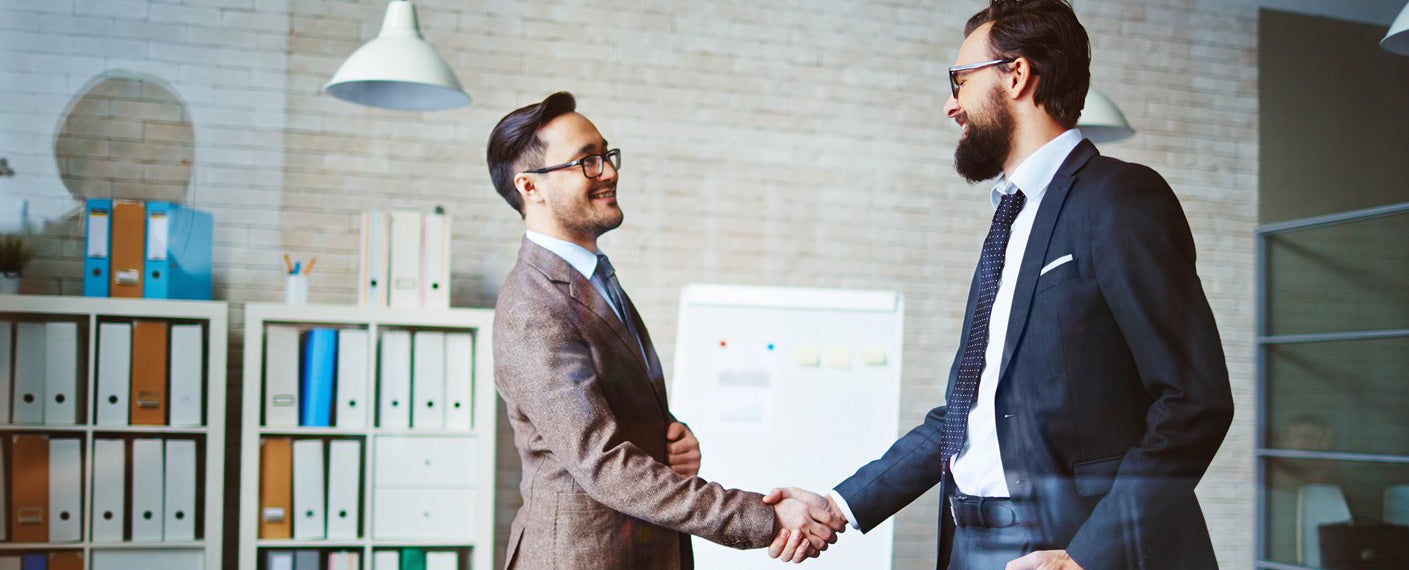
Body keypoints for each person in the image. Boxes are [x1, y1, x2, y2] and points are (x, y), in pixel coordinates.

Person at [766, 1, 1234, 568]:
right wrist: (841, 504)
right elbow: (964, 412)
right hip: (968, 544)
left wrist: (1088, 556)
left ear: (1016, 75)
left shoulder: (1119, 200)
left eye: (959, 81)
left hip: (1067, 546)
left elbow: (1193, 402)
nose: (950, 105)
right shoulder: (1008, 221)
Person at [487, 91, 842, 569]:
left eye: (606, 155)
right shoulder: (533, 305)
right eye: (586, 162)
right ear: (531, 187)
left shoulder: (593, 277)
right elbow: (603, 461)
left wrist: (670, 440)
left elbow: (616, 417)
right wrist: (766, 518)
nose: (609, 172)